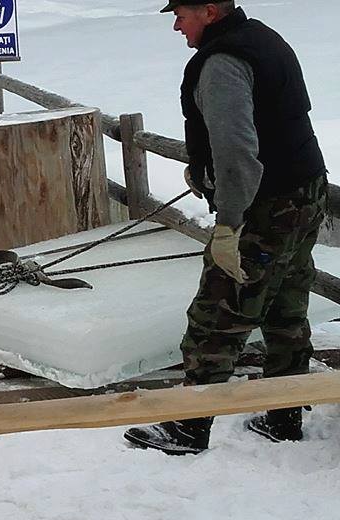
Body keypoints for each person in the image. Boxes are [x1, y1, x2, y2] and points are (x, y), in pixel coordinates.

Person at [124, 0, 327, 455]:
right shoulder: (262, 38)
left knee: (217, 315)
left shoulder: (222, 64)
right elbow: (272, 120)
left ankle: (189, 427)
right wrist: (203, 171)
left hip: (263, 206)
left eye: (182, 14)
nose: (176, 24)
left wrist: (229, 224)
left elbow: (238, 149)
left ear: (210, 12)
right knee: (284, 306)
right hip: (305, 189)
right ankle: (285, 414)